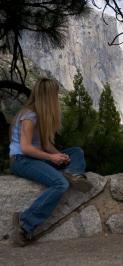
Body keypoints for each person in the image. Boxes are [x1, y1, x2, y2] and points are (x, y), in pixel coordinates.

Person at [9, 78, 92, 246]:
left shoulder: (41, 115)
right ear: (48, 97)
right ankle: (24, 223)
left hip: (37, 157)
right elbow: (25, 148)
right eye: (55, 94)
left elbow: (46, 145)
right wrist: (51, 158)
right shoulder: (29, 116)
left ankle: (73, 173)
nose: (57, 97)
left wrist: (60, 155)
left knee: (76, 152)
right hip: (22, 160)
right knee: (60, 184)